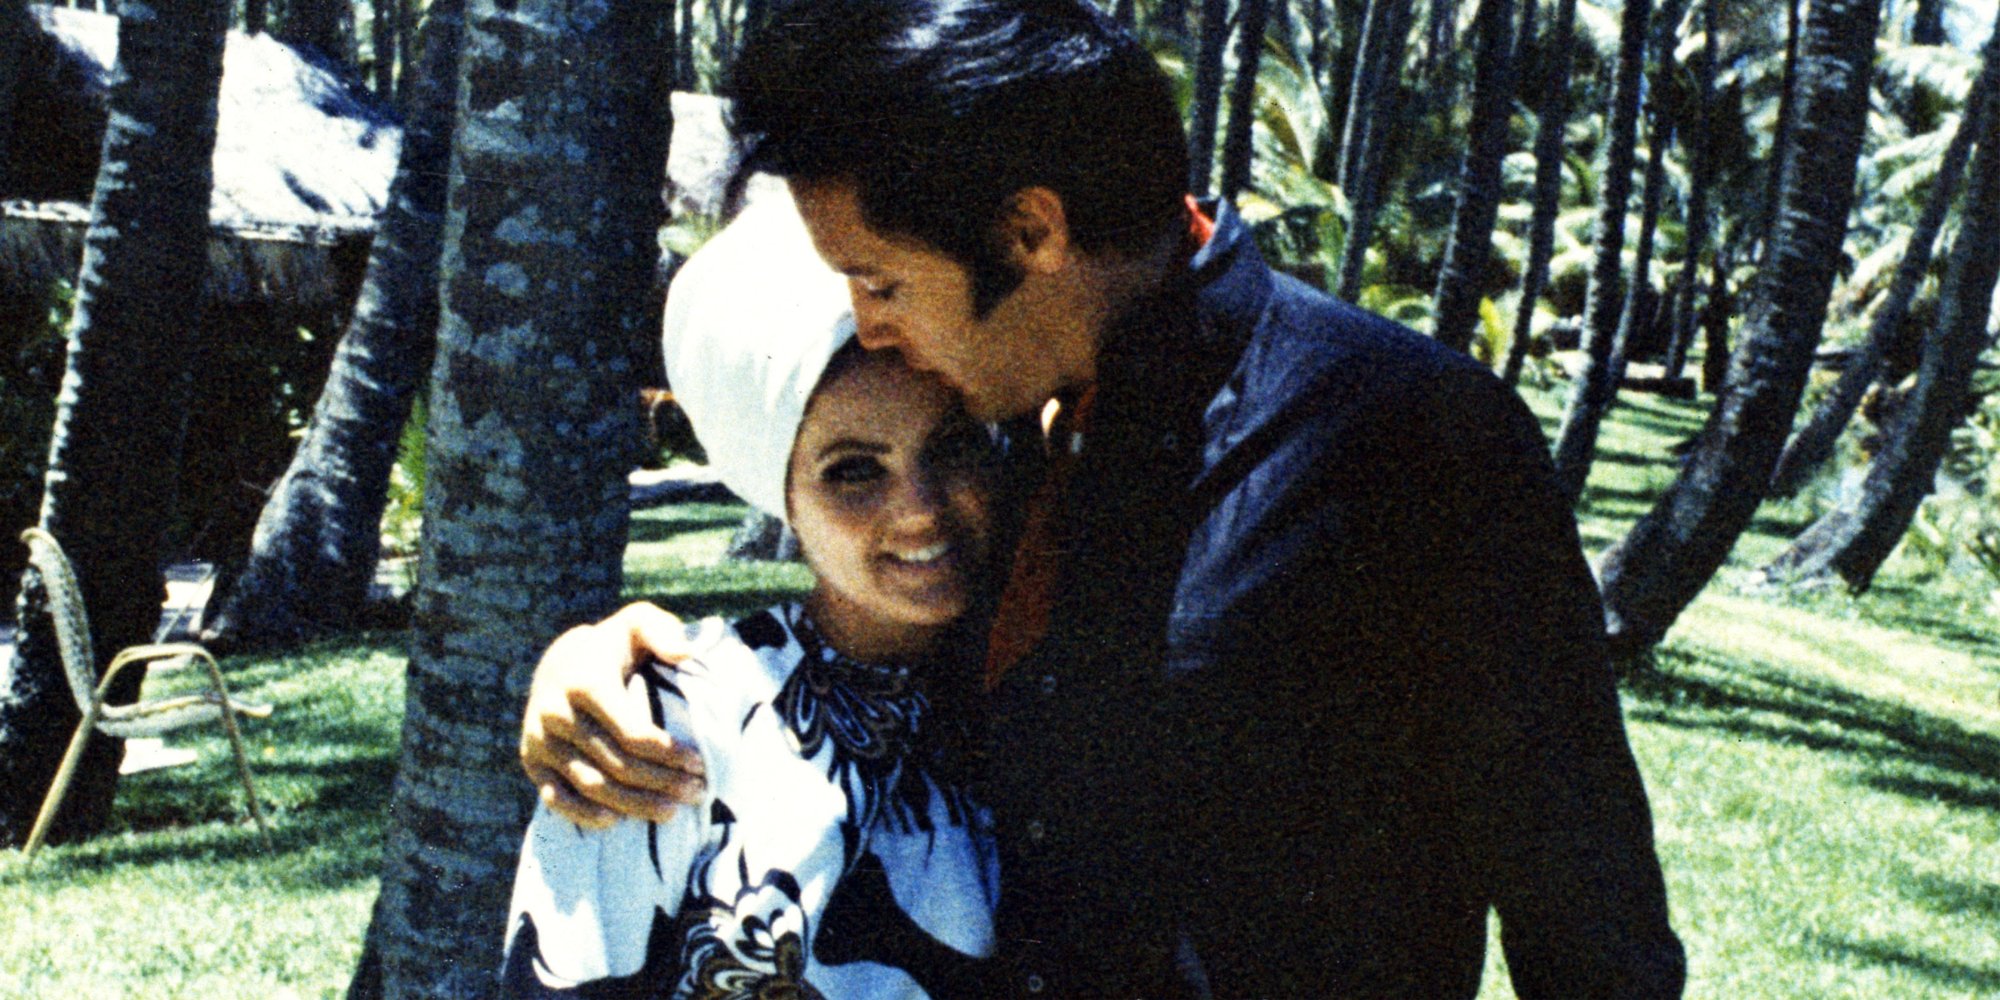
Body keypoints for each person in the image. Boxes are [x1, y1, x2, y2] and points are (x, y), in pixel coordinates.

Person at [519, 0, 1687, 995]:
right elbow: (861, 679)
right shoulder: (1003, 444)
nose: (867, 327)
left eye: (878, 282)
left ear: (1031, 231)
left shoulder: (1409, 440)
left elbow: (1590, 929)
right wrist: (601, 658)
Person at [502, 194, 1005, 997]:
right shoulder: (665, 726)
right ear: (784, 502)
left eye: (952, 446)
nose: (920, 507)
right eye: (853, 471)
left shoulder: (1045, 680)